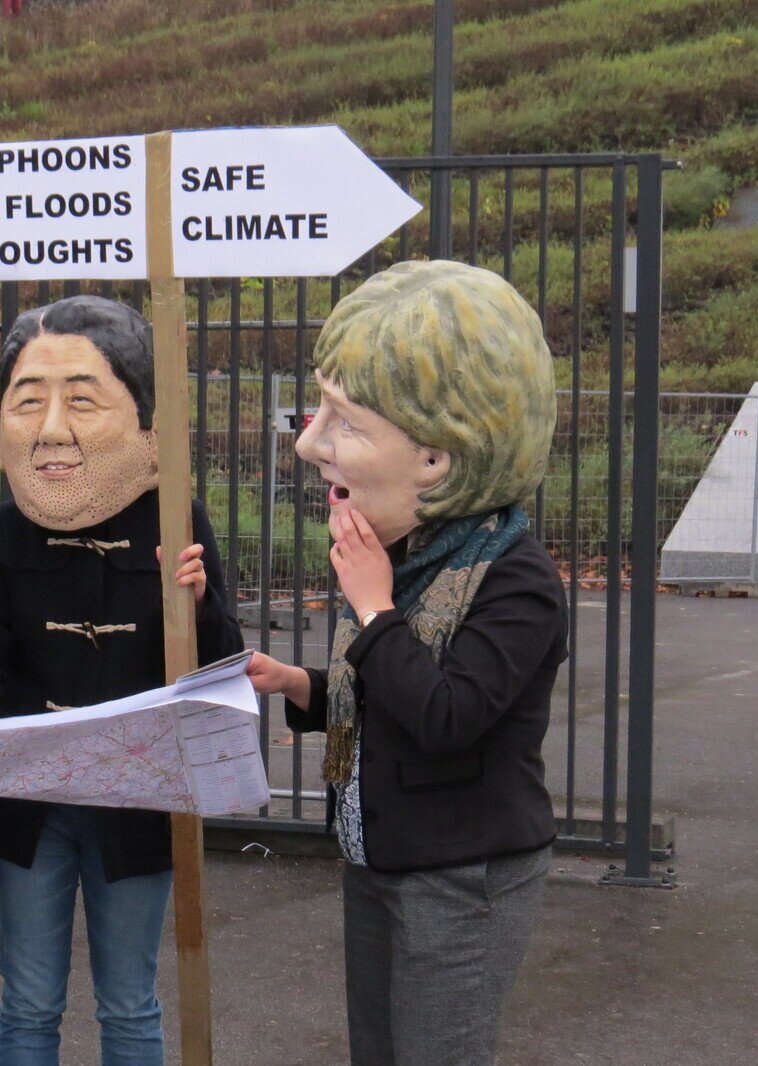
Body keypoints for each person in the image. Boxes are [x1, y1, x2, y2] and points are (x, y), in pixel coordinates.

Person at [246, 260, 569, 1066]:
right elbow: (384, 689)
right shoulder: (409, 553)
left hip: (464, 878)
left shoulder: (517, 580)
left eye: (343, 421)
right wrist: (302, 687)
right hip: (381, 855)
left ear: (437, 460)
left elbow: (447, 716)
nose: (309, 440)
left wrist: (373, 608)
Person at [0, 294, 243, 1066]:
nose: (51, 430)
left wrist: (200, 607)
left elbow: (222, 664)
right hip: (29, 804)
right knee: (30, 1001)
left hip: (137, 798)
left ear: (149, 429)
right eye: (28, 401)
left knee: (130, 1004)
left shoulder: (177, 520)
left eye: (82, 400)